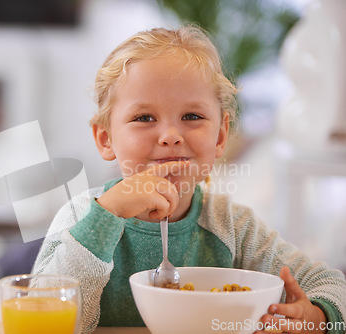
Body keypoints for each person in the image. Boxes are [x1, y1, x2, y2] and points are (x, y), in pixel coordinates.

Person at [32, 26, 346, 334]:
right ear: (105, 139)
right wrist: (105, 217)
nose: (170, 136)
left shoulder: (233, 227)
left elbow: (333, 287)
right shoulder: (80, 216)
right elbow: (39, 319)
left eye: (192, 117)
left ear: (220, 134)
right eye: (144, 118)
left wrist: (317, 318)